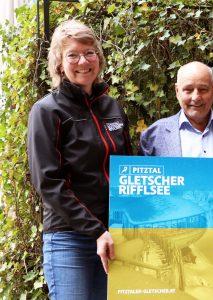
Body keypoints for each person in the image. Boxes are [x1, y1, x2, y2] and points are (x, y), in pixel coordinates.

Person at [27, 20, 132, 299]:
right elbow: (48, 183)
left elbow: (131, 171)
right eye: (72, 54)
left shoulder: (112, 107)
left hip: (115, 236)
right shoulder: (47, 111)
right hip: (69, 239)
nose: (82, 61)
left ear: (98, 57)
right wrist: (96, 231)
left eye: (89, 52)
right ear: (60, 63)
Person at [139, 61, 213, 158]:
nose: (196, 97)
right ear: (177, 91)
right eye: (188, 90)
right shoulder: (154, 135)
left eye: (203, 89)